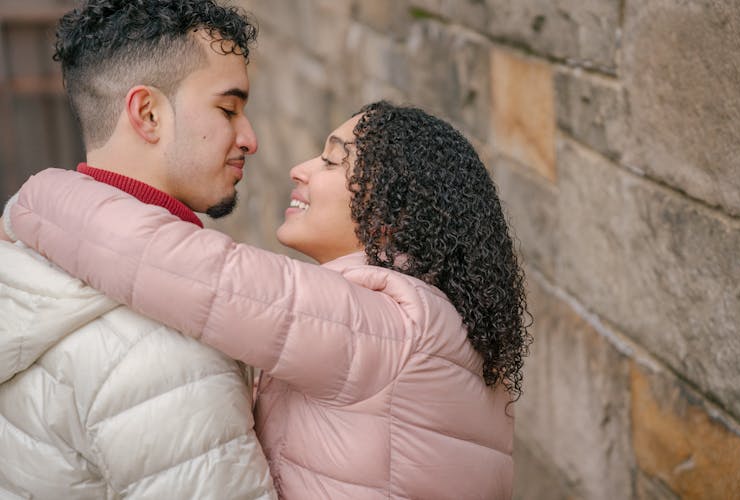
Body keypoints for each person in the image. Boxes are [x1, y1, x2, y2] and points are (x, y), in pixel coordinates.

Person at [3, 101, 532, 499]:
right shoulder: (431, 323)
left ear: (392, 211)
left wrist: (40, 195)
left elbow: (190, 269)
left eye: (332, 161)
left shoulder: (381, 325)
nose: (300, 168)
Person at [0, 1, 276, 498]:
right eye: (228, 108)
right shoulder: (166, 343)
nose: (249, 138)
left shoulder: (23, 255)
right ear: (147, 113)